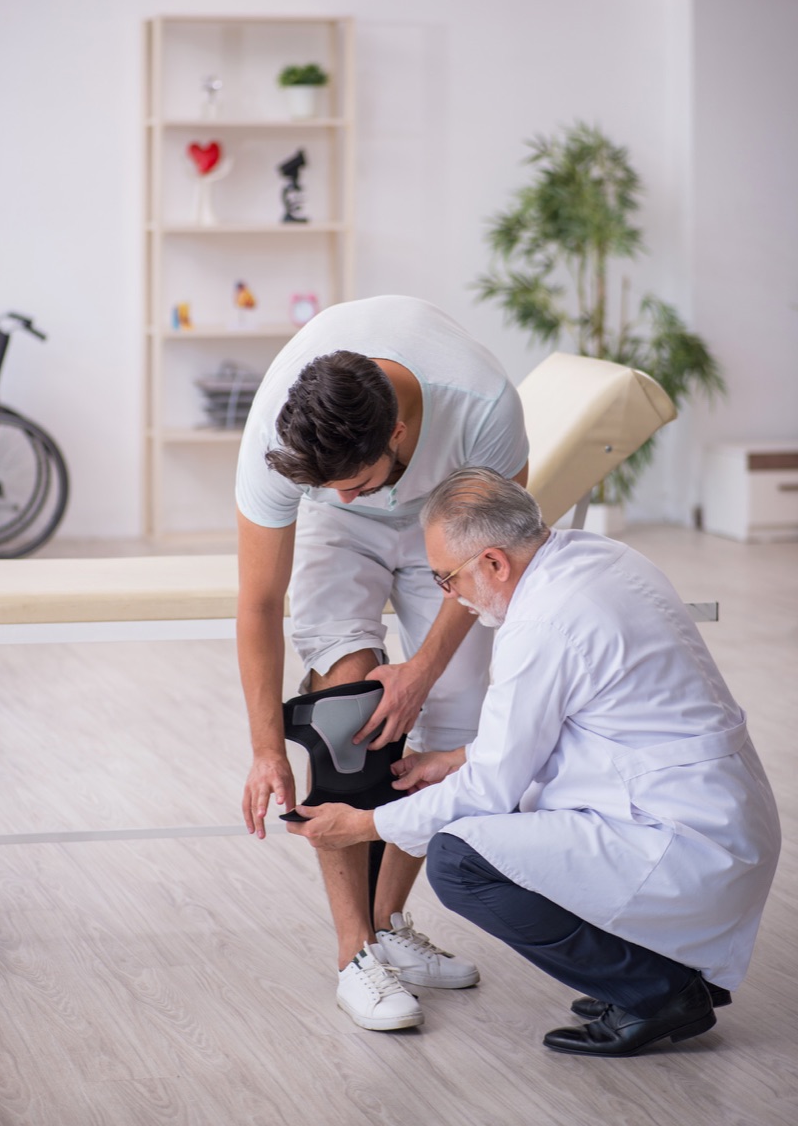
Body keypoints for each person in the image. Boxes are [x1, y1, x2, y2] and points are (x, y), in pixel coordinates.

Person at [287, 467, 781, 1056]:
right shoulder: (598, 558)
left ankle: (655, 990)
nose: (451, 596)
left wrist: (361, 826)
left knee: (460, 860)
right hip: (718, 812)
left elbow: (489, 792)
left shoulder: (543, 624)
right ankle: (638, 971)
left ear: (494, 563)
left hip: (684, 840)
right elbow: (583, 721)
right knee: (510, 816)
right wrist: (455, 759)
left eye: (447, 578)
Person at [236, 298, 529, 1031]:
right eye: (322, 482)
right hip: (343, 540)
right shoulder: (288, 435)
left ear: (397, 432)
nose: (337, 492)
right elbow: (259, 602)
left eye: (355, 479)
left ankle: (388, 922)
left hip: (450, 518)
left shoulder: (484, 405)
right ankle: (354, 953)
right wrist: (267, 749)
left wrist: (425, 669)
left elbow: (498, 559)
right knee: (348, 708)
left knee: (455, 711)